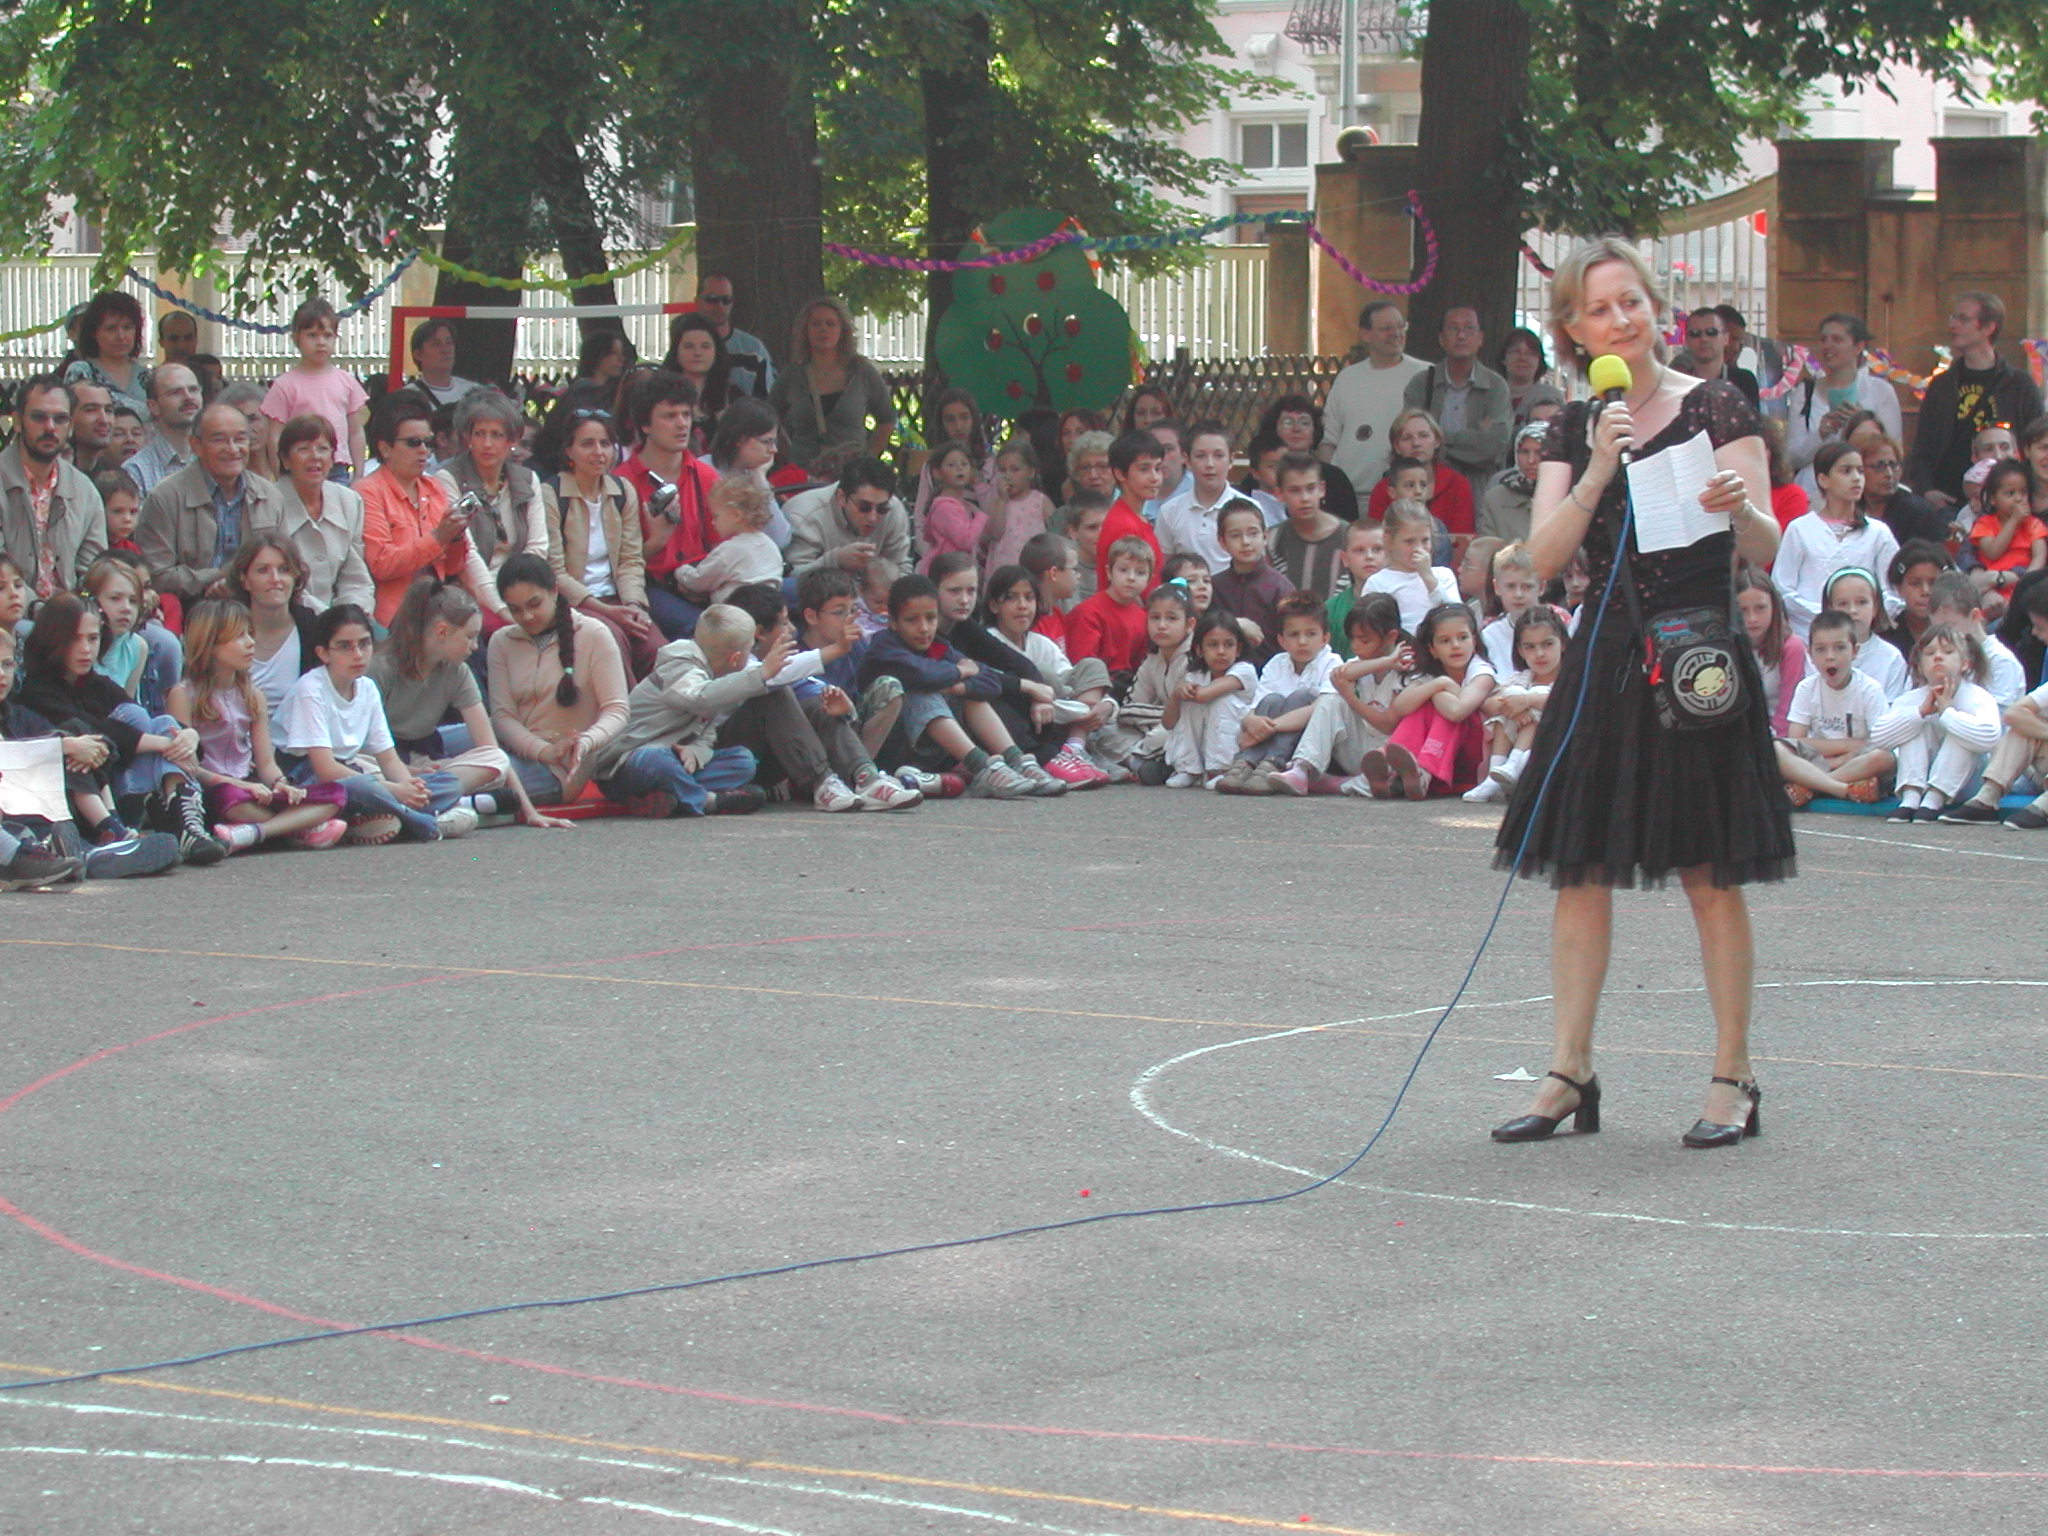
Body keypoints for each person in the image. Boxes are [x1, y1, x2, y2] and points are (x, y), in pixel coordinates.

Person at [1491, 236, 1789, 1153]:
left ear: (1656, 307)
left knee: (1709, 871)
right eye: (1599, 309)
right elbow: (1539, 560)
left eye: (1632, 301)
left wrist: (1740, 508)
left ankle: (1733, 1075)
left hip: (1697, 656)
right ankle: (1569, 1069)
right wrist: (1594, 471)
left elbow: (1768, 548)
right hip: (1609, 656)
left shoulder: (1717, 402)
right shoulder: (1574, 425)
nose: (1620, 319)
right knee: (1580, 870)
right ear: (1573, 330)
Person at [17, 592, 225, 864]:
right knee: (81, 732)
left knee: (161, 722)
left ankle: (187, 826)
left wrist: (188, 735)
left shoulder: (96, 684)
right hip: (84, 802)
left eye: (93, 638)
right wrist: (164, 743)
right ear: (52, 639)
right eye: (74, 639)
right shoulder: (36, 690)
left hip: (121, 787)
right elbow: (98, 732)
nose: (86, 649)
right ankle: (126, 830)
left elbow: (145, 725)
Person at [370, 575, 559, 829]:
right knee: (364, 773)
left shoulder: (457, 671)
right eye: (469, 637)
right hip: (381, 761)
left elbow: (491, 750)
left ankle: (421, 804)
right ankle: (442, 804)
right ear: (442, 632)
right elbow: (362, 743)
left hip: (427, 762)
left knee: (497, 760)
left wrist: (530, 812)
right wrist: (407, 772)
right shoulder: (381, 668)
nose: (474, 646)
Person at [274, 602, 467, 843]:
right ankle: (417, 821)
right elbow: (325, 769)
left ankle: (371, 818)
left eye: (364, 644)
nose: (357, 654)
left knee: (450, 783)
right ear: (323, 653)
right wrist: (393, 790)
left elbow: (389, 759)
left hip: (352, 772)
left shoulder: (367, 688)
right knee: (362, 786)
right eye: (345, 646)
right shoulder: (311, 690)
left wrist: (409, 787)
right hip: (307, 778)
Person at [167, 599, 349, 853]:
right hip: (216, 790)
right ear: (210, 644)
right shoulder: (183, 694)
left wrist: (280, 783)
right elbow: (190, 768)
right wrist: (244, 787)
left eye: (250, 634)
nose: (251, 643)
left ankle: (256, 832)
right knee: (230, 798)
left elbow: (265, 763)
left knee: (336, 793)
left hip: (253, 787)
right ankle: (299, 828)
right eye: (239, 636)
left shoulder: (253, 695)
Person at [857, 572, 1036, 798]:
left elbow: (991, 682)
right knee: (923, 692)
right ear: (893, 621)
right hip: (888, 749)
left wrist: (957, 687)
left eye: (930, 618)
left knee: (971, 693)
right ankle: (981, 767)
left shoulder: (939, 647)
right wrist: (960, 672)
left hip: (928, 750)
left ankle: (1017, 760)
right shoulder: (884, 648)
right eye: (912, 620)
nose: (924, 628)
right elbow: (923, 675)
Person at [487, 554, 636, 809]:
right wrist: (542, 750)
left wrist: (585, 741)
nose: (527, 616)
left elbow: (617, 709)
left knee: (480, 775)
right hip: (514, 748)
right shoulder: (501, 641)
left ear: (554, 590)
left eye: (534, 604)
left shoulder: (594, 634)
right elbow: (502, 716)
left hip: (559, 768)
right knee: (447, 743)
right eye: (515, 610)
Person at [540, 408, 659, 678]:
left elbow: (631, 559)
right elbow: (554, 571)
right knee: (613, 642)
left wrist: (634, 605)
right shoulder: (551, 493)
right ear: (569, 451)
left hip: (618, 597)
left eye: (605, 443)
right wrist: (605, 610)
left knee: (655, 648)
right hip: (576, 602)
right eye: (587, 444)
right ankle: (624, 706)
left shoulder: (622, 490)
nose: (599, 452)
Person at [136, 401, 289, 606]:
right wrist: (220, 578)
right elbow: (157, 575)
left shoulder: (269, 496)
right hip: (188, 609)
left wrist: (238, 583)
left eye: (240, 439)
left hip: (256, 608)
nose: (233, 449)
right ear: (196, 445)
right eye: (219, 440)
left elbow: (286, 563)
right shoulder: (166, 498)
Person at [1905, 291, 2045, 511]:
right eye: (1953, 317)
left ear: (1988, 327)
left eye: (1963, 319)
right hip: (1950, 501)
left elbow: (2037, 442)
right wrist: (1926, 490)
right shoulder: (1942, 385)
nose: (1952, 325)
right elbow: (1924, 445)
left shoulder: (2019, 384)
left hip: (2009, 503)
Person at [354, 392, 481, 627]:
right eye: (414, 442)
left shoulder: (433, 486)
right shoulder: (367, 491)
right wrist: (438, 537)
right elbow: (381, 564)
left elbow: (452, 567)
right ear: (385, 448)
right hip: (394, 618)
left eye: (428, 442)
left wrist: (455, 537)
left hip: (437, 609)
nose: (424, 450)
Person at [1270, 592, 1411, 797]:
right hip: (1360, 748)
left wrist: (1351, 698)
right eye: (1352, 639)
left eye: (1364, 640)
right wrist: (1386, 662)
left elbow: (1387, 724)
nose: (1355, 646)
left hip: (1392, 754)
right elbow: (1339, 675)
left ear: (1391, 637)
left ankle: (1338, 784)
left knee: (1387, 780)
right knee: (1331, 699)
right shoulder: (1362, 662)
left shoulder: (1408, 667)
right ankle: (1302, 768)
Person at [430, 389, 548, 626]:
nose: (487, 444)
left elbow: (538, 547)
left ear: (511, 441)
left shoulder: (527, 479)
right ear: (468, 438)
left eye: (496, 435)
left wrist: (521, 597)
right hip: (471, 593)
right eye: (479, 434)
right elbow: (468, 557)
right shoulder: (449, 478)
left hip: (521, 588)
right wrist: (503, 610)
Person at [1213, 591, 1339, 794]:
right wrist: (1250, 721)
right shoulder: (1276, 663)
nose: (1302, 641)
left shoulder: (1332, 663)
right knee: (1272, 699)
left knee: (1301, 697)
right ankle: (1247, 762)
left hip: (1305, 747)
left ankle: (1273, 764)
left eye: (1311, 634)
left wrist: (1269, 728)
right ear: (1281, 640)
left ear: (1325, 638)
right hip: (1264, 738)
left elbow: (1318, 710)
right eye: (1294, 635)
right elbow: (1256, 705)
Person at [1772, 441, 1899, 638]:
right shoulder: (1800, 529)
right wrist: (1825, 616)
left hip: (1862, 638)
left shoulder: (1878, 532)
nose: (1856, 478)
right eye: (1846, 471)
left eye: (1860, 471)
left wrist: (1866, 617)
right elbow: (1781, 588)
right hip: (1807, 636)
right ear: (1823, 480)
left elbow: (1894, 591)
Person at [0, 375, 108, 603]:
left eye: (60, 419)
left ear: (70, 427)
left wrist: (81, 608)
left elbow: (93, 572)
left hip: (72, 614)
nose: (50, 427)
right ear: (17, 422)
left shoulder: (85, 492)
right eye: (39, 417)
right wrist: (38, 609)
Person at [1774, 608, 1891, 807]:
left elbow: (1880, 743)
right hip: (1818, 761)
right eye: (1821, 649)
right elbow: (1796, 739)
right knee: (1777, 748)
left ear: (1855, 651)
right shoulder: (1806, 688)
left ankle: (1810, 788)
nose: (1830, 657)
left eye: (1839, 648)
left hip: (1855, 761)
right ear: (1810, 654)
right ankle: (1842, 789)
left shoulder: (1870, 690)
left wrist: (1847, 755)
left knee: (1884, 758)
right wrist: (1847, 746)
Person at [769, 296, 896, 473]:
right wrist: (789, 453)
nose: (823, 329)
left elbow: (887, 418)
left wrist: (867, 458)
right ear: (805, 331)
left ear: (842, 330)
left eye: (830, 324)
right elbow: (769, 417)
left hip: (852, 475)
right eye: (816, 324)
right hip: (805, 473)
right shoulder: (792, 375)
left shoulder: (861, 372)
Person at [1786, 313, 1902, 491]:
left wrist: (1862, 423)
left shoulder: (1880, 391)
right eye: (1824, 339)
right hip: (1814, 490)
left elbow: (1893, 451)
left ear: (1858, 346)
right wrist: (1821, 434)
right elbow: (1791, 457)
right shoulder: (1806, 392)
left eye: (1837, 340)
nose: (1828, 346)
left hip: (1864, 491)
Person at [1320, 300, 1427, 492]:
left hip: (1403, 491)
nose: (1396, 333)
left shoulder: (1424, 375)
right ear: (1365, 334)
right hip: (1348, 491)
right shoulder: (1347, 378)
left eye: (1400, 326)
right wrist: (1331, 484)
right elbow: (1328, 440)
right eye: (1386, 328)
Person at [260, 298, 369, 481]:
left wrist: (359, 474)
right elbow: (274, 436)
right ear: (296, 338)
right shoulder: (285, 385)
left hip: (337, 469)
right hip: (299, 469)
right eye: (312, 335)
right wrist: (280, 475)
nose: (320, 342)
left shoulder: (346, 382)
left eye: (327, 335)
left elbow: (355, 431)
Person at [1465, 606, 1565, 802]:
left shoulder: (1569, 680)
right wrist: (1513, 707)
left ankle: (1515, 764)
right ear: (1520, 650)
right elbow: (1488, 703)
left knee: (1536, 696)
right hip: (1515, 747)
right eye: (1530, 647)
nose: (1539, 653)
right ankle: (1496, 773)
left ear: (1562, 643)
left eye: (1547, 644)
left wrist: (1527, 701)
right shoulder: (1522, 678)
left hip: (1552, 747)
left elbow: (1563, 702)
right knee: (1513, 694)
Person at [1402, 305, 1514, 480]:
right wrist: (1473, 437)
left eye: (1469, 328)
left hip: (1478, 487)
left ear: (1480, 338)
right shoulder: (1421, 384)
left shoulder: (1495, 387)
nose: (1461, 335)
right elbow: (1410, 442)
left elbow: (1493, 446)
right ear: (1441, 339)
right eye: (1453, 328)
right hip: (1428, 485)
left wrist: (1436, 438)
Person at [1162, 609, 1258, 787]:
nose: (1221, 651)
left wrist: (1186, 689)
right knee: (1188, 703)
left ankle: (1222, 770)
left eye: (1228, 645)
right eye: (1213, 645)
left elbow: (1204, 695)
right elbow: (1168, 723)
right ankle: (1189, 768)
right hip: (1205, 744)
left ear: (1238, 649)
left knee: (1220, 700)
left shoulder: (1244, 671)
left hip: (1240, 740)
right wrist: (1176, 694)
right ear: (1200, 649)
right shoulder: (1196, 676)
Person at [1365, 409, 1477, 537]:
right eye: (1407, 438)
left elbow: (1462, 538)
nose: (1416, 443)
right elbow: (1376, 539)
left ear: (1437, 441)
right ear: (1397, 447)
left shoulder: (1458, 484)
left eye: (1423, 436)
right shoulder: (1382, 489)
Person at [1210, 498, 1293, 663]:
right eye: (1235, 535)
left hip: (1269, 673)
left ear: (1265, 536)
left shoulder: (1280, 588)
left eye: (1253, 533)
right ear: (1222, 542)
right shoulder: (1214, 586)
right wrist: (1233, 624)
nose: (1245, 542)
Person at [1155, 420, 1241, 574]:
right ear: (1187, 460)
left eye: (1219, 455)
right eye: (1200, 456)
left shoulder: (1248, 509)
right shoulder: (1170, 511)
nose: (1210, 464)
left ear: (1231, 460)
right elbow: (1163, 567)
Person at [1362, 499, 1458, 633]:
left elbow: (1456, 616)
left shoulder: (1443, 576)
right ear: (1388, 540)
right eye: (1409, 541)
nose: (1418, 548)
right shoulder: (1377, 583)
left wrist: (1428, 577)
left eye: (1425, 540)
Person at [1256, 396, 1357, 521]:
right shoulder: (1260, 476)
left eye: (1304, 423)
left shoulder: (1335, 478)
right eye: (1288, 422)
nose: (1296, 429)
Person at [1735, 562, 1806, 736]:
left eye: (1760, 608)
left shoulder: (1791, 647)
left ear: (1774, 607)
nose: (1752, 618)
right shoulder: (1730, 647)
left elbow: (1790, 707)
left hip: (1781, 733)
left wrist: (1770, 739)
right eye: (1743, 611)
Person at [1065, 535, 1153, 676]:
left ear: (1149, 579)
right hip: (1094, 680)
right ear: (1109, 572)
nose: (1131, 578)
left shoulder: (1143, 617)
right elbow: (1082, 664)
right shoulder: (1089, 612)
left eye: (1140, 573)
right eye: (1123, 570)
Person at [1266, 451, 1347, 599]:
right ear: (1279, 494)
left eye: (1310, 488)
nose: (1305, 498)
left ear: (1322, 489)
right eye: (1295, 491)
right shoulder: (1272, 540)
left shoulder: (1348, 537)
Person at [1095, 431, 1165, 595]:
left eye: (1158, 468)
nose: (1155, 477)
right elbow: (1129, 589)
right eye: (1144, 469)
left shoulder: (1134, 516)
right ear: (1120, 473)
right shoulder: (1124, 525)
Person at [1968, 457, 2046, 603]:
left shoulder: (2033, 524)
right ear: (1992, 499)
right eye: (2010, 493)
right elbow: (1992, 552)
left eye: (2023, 492)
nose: (2018, 499)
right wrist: (2014, 521)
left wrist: (2025, 583)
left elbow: (2040, 556)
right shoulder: (1984, 524)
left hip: (2021, 586)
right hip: (1990, 588)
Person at [119, 363, 204, 496]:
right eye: (175, 392)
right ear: (153, 407)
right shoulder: (136, 472)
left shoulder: (215, 460)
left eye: (193, 390)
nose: (188, 397)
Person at [660, 312, 746, 439]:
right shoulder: (660, 396)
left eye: (705, 346)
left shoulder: (734, 397)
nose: (697, 353)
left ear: (716, 351)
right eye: (689, 346)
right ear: (676, 352)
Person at [62, 290, 151, 411]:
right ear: (94, 333)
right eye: (111, 329)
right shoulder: (82, 372)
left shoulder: (147, 377)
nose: (121, 336)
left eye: (127, 327)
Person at [695, 271, 775, 398]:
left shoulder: (753, 350)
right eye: (712, 299)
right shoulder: (686, 347)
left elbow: (768, 401)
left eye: (726, 300)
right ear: (698, 302)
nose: (720, 306)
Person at [983, 440, 1054, 573]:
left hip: (1032, 570)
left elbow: (1055, 537)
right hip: (1003, 570)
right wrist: (1002, 501)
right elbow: (995, 534)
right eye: (1002, 470)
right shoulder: (996, 502)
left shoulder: (1040, 502)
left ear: (1031, 472)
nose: (1007, 476)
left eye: (1015, 470)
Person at [1668, 307, 1760, 409]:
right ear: (1687, 340)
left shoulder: (1744, 381)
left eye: (1712, 332)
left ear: (1725, 338)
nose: (1704, 339)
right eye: (1695, 333)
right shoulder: (1679, 376)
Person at [916, 444, 987, 573]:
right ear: (937, 473)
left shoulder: (958, 504)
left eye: (964, 464)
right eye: (951, 465)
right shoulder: (945, 508)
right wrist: (980, 517)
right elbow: (966, 541)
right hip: (946, 573)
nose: (959, 468)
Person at [1477, 543, 1541, 674]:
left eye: (1527, 586)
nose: (1518, 594)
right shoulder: (1489, 636)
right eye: (1511, 586)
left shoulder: (1558, 628)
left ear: (1541, 587)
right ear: (1497, 587)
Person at [1479, 422, 1547, 543]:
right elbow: (1486, 548)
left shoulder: (1571, 498)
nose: (1531, 460)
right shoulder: (1495, 499)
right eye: (1524, 452)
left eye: (1540, 452)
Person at [1498, 327, 1566, 426]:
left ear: (1539, 361)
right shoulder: (1491, 395)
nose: (1523, 358)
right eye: (1516, 351)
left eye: (1530, 353)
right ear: (1503, 358)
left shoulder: (1551, 396)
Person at [406, 318, 479, 407]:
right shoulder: (407, 398)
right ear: (418, 354)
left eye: (449, 343)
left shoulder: (475, 393)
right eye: (436, 344)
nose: (445, 350)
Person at [66, 380, 114, 474]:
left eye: (108, 410)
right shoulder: (51, 472)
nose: (104, 420)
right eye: (91, 410)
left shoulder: (115, 475)